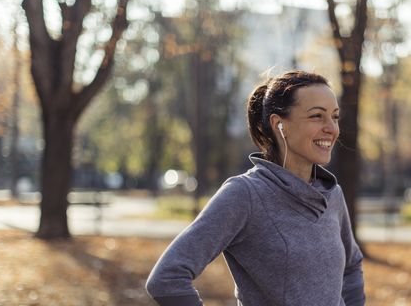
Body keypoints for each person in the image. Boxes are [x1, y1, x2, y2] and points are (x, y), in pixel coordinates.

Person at [145, 70, 365, 306]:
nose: (332, 129)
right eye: (317, 116)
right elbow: (166, 278)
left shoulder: (332, 194)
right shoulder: (245, 194)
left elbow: (351, 267)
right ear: (279, 125)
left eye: (335, 117)